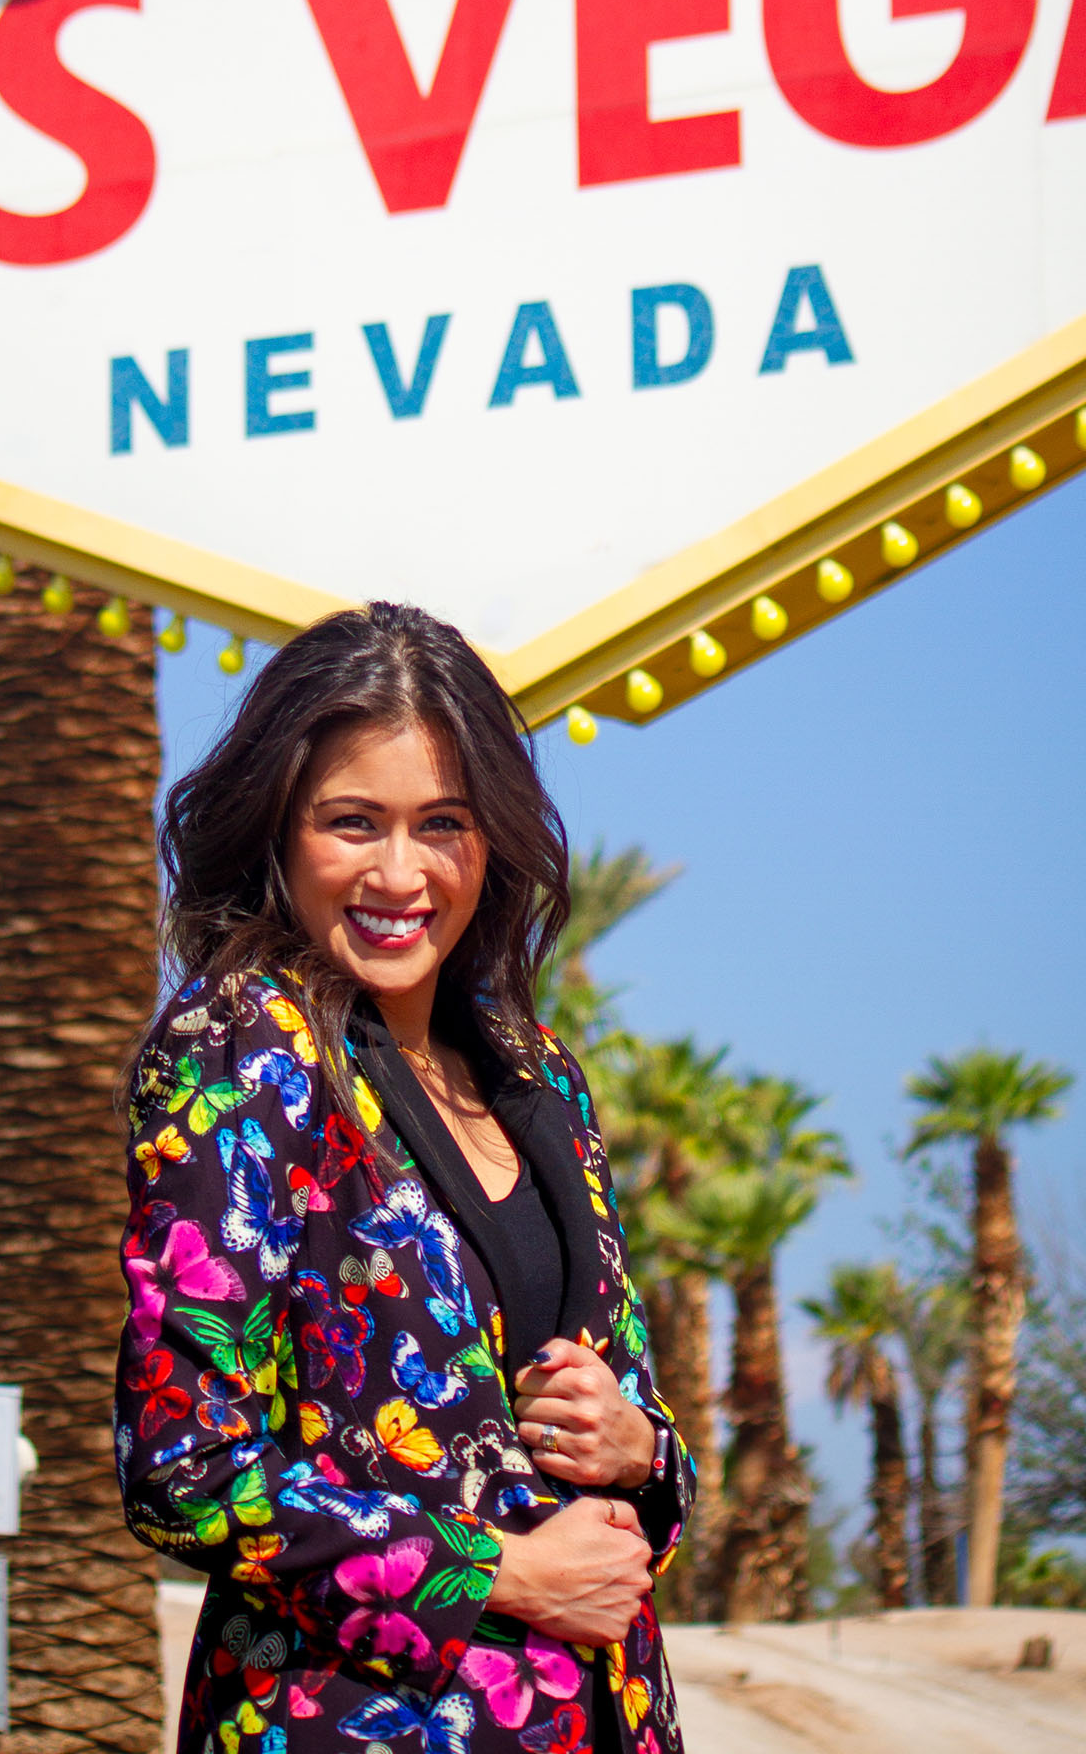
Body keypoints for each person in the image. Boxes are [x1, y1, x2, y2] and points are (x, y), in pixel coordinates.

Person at [116, 601, 692, 1754]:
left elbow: (630, 1417)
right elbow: (182, 1463)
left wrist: (641, 1452)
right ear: (277, 832)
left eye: (442, 823)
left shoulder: (539, 1078)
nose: (399, 872)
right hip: (352, 1722)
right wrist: (504, 1576)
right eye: (351, 823)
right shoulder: (238, 1051)